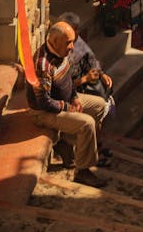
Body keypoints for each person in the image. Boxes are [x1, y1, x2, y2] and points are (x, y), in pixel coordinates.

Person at [26, 20, 109, 188]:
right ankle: (83, 171)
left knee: (99, 105)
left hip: (63, 102)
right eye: (68, 42)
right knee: (87, 124)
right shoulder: (43, 65)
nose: (72, 46)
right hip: (43, 113)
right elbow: (43, 102)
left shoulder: (62, 52)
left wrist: (75, 98)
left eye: (72, 41)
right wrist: (67, 107)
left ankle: (66, 142)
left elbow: (68, 80)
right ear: (55, 41)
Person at [58, 11, 115, 158]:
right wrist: (84, 80)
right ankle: (88, 150)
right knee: (92, 112)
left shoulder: (77, 43)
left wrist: (101, 74)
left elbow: (91, 59)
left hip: (81, 87)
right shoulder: (59, 50)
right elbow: (61, 85)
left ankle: (97, 144)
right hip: (68, 94)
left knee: (103, 103)